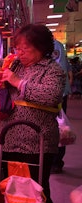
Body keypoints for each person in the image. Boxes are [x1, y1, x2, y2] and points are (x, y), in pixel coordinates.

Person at [0, 24, 65, 203]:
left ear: (41, 47)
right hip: (7, 140)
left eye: (24, 49)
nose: (19, 53)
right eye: (17, 48)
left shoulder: (53, 70)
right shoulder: (14, 62)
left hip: (37, 143)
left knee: (37, 191)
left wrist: (18, 82)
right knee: (6, 188)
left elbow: (51, 95)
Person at [51, 39, 73, 174]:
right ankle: (56, 162)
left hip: (56, 93)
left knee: (57, 127)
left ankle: (56, 162)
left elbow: (58, 70)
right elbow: (67, 69)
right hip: (60, 91)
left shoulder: (53, 46)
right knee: (59, 125)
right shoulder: (58, 45)